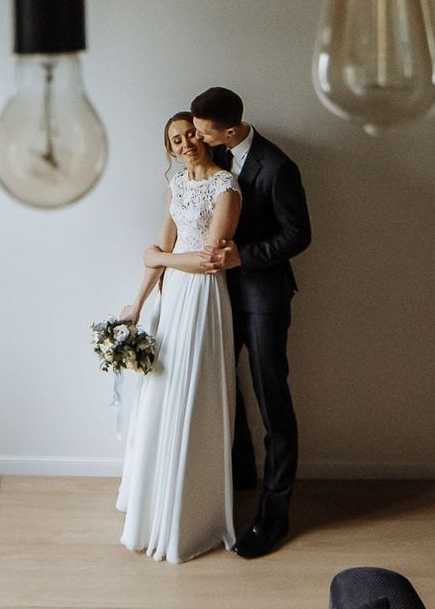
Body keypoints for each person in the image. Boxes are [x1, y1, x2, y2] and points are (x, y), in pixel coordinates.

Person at [114, 113, 241, 563]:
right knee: (162, 393)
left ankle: (191, 515)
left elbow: (210, 260)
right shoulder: (177, 189)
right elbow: (158, 251)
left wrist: (161, 256)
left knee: (194, 394)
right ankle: (154, 503)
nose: (185, 142)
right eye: (175, 139)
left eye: (190, 134)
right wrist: (137, 304)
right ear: (168, 149)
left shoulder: (226, 187)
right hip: (172, 301)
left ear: (203, 137)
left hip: (204, 298)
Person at [191, 85, 311, 559]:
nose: (200, 139)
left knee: (270, 395)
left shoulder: (278, 167)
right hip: (215, 294)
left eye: (205, 132)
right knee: (220, 383)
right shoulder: (214, 156)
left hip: (263, 296)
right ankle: (240, 473)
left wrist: (245, 256)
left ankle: (274, 515)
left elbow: (299, 235)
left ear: (232, 129)